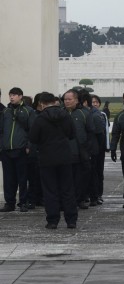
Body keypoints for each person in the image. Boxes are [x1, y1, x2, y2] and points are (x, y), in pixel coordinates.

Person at [28, 92, 77, 230]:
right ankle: (71, 220)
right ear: (55, 102)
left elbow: (33, 138)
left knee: (50, 190)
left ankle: (53, 220)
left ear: (42, 104)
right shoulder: (65, 115)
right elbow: (72, 134)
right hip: (65, 157)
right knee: (67, 189)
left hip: (47, 158)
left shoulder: (40, 118)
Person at [0, 86, 35, 212]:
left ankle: (23, 202)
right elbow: (1, 131)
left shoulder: (28, 111)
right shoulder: (5, 111)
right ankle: (9, 203)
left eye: (14, 95)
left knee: (22, 177)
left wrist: (28, 146)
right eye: (10, 95)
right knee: (8, 178)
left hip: (21, 149)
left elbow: (33, 131)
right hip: (6, 150)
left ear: (20, 96)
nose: (11, 97)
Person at [62, 89, 92, 209]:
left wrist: (87, 150)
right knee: (65, 179)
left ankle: (79, 199)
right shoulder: (60, 113)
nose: (67, 101)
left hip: (79, 152)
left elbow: (90, 132)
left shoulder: (84, 113)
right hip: (63, 152)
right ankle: (66, 201)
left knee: (79, 178)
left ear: (76, 100)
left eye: (69, 99)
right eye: (65, 99)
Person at [90, 95, 109, 205]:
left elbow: (106, 131)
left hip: (100, 148)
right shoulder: (88, 114)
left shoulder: (102, 115)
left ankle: (99, 194)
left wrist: (106, 146)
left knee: (99, 172)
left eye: (96, 102)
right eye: (93, 102)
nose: (95, 104)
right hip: (92, 148)